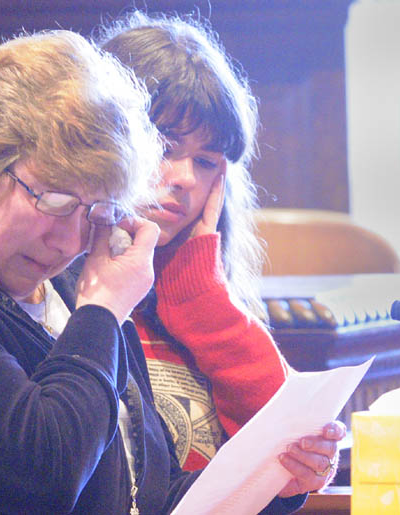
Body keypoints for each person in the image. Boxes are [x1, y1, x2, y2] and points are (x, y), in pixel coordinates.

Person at [0, 27, 343, 514]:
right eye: (52, 203)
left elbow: (145, 495)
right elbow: (41, 479)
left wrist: (275, 479)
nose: (71, 241)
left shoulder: (73, 294)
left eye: (95, 214)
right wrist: (99, 312)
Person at [95, 11, 291, 471]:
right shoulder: (50, 286)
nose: (183, 178)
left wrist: (202, 300)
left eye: (205, 162)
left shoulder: (201, 293)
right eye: (165, 148)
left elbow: (286, 454)